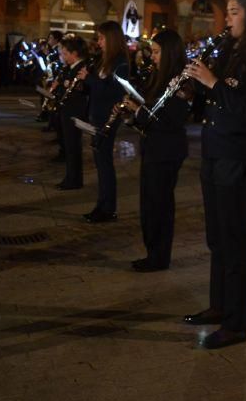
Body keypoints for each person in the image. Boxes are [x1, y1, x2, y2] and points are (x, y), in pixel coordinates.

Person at [181, 0, 246, 349]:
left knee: (235, 241)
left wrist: (212, 82)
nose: (228, 19)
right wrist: (194, 90)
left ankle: (237, 324)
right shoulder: (229, 51)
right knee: (217, 238)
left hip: (238, 158)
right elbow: (218, 99)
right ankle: (219, 305)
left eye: (234, 12)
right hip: (215, 153)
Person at [122, 29, 189, 271]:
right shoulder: (158, 76)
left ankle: (159, 257)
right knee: (150, 203)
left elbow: (170, 119)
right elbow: (151, 112)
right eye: (153, 51)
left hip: (166, 150)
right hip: (153, 146)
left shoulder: (180, 81)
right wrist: (133, 113)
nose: (153, 57)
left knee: (159, 205)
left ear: (170, 53)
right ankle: (153, 252)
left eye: (158, 52)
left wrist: (139, 110)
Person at [81, 21, 129, 221]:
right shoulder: (103, 60)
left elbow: (113, 92)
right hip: (97, 115)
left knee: (105, 164)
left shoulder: (120, 63)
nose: (99, 42)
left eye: (102, 38)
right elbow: (96, 88)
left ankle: (107, 208)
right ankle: (102, 205)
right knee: (100, 164)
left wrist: (89, 79)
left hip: (108, 118)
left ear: (112, 38)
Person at [54, 34, 90, 190]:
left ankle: (74, 179)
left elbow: (80, 90)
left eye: (65, 53)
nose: (63, 56)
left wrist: (65, 85)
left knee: (73, 147)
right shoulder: (70, 68)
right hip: (68, 110)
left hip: (74, 111)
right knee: (70, 146)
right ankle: (71, 177)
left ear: (74, 53)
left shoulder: (81, 68)